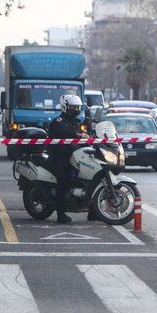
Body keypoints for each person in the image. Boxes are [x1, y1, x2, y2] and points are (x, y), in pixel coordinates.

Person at [48, 95, 87, 224]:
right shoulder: (59, 121)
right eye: (73, 107)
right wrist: (78, 135)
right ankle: (60, 214)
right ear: (65, 107)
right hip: (60, 156)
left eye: (77, 107)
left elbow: (84, 134)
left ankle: (93, 211)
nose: (76, 110)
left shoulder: (76, 122)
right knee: (63, 181)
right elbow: (65, 131)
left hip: (75, 156)